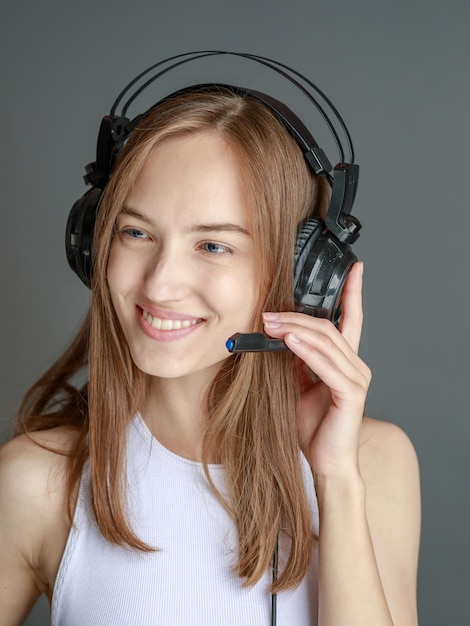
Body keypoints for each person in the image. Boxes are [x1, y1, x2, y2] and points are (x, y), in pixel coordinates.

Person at [0, 72, 421, 626]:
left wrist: (335, 479)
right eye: (135, 232)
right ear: (94, 240)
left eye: (213, 245)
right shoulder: (36, 482)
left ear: (301, 274)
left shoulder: (373, 464)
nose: (160, 284)